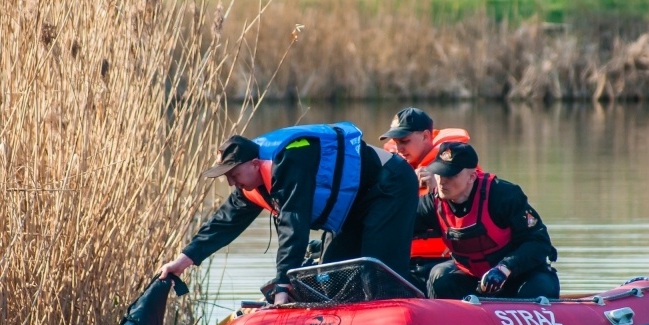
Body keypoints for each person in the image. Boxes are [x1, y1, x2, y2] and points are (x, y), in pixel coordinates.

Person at [157, 122, 419, 305]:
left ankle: (414, 309)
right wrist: (182, 262)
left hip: (389, 186)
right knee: (332, 277)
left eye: (233, 175)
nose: (230, 183)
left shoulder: (288, 162)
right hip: (355, 202)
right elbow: (221, 224)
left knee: (377, 273)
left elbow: (293, 225)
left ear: (255, 165)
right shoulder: (251, 179)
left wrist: (284, 286)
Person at [415, 141, 559, 300]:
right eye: (439, 173)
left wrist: (504, 269)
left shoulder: (503, 196)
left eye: (450, 175)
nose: (442, 181)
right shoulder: (431, 204)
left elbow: (539, 242)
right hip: (475, 280)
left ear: (472, 177)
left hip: (521, 277)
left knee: (536, 288)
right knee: (439, 277)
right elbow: (397, 227)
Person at [379, 107, 472, 291]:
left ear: (426, 136)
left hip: (447, 262)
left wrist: (439, 191)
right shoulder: (391, 171)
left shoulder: (460, 166)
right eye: (396, 142)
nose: (399, 148)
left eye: (405, 141)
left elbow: (476, 212)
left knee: (441, 280)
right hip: (404, 262)